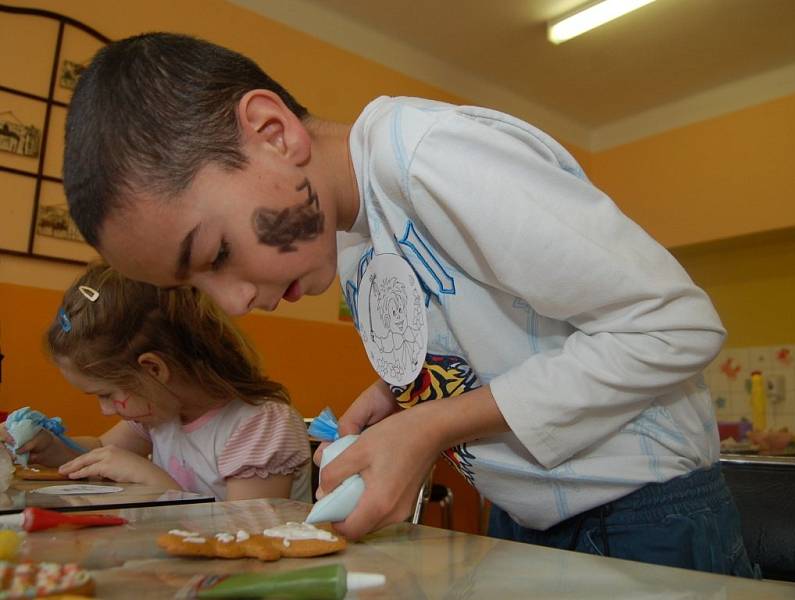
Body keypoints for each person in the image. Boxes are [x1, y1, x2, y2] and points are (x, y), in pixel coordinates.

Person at [60, 32, 755, 576]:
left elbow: (672, 325)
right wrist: (400, 398)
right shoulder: (353, 230)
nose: (234, 304)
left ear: (274, 132)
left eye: (214, 254)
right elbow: (495, 328)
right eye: (199, 286)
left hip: (647, 514)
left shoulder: (433, 158)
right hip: (527, 513)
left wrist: (432, 429)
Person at [1, 263, 311, 502]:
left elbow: (248, 537)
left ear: (153, 369)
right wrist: (51, 447)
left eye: (107, 394)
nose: (106, 411)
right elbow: (101, 451)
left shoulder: (260, 426)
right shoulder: (160, 411)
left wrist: (152, 480)